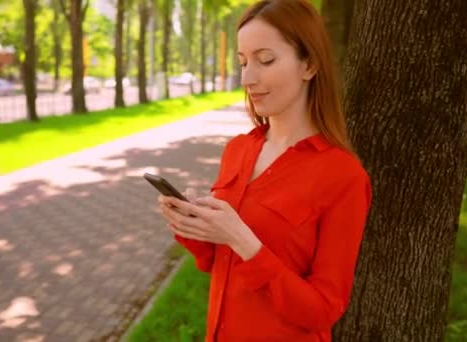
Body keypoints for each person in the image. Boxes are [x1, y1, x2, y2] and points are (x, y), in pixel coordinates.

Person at [157, 0, 372, 340]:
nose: (248, 78)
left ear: (310, 65)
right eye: (243, 62)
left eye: (265, 60)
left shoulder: (343, 176)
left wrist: (245, 241)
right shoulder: (238, 150)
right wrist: (193, 228)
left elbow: (322, 310)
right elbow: (218, 263)